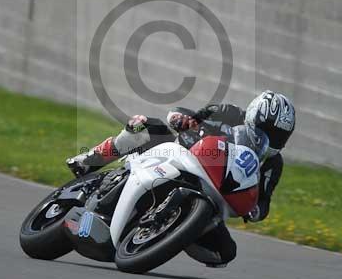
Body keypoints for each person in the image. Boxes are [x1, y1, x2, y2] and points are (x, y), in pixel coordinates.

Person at [66, 91, 296, 267]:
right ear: (254, 116)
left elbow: (263, 203)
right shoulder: (228, 112)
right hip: (177, 155)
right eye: (268, 130)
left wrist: (252, 209)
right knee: (144, 125)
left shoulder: (273, 164)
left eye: (279, 136)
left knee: (224, 253)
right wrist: (182, 119)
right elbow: (182, 114)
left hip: (212, 197)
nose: (271, 139)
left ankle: (171, 233)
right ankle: (89, 160)